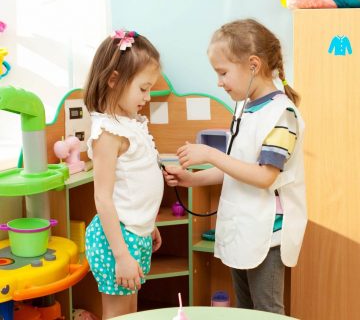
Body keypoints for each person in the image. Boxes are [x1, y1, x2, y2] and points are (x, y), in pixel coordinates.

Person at [163, 19, 307, 314]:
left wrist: (210, 154)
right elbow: (238, 167)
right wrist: (192, 179)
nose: (219, 82)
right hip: (244, 226)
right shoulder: (247, 109)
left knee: (266, 310)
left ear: (253, 65)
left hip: (266, 234)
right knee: (244, 310)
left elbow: (265, 176)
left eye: (223, 72)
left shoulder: (282, 114)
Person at [83, 30, 164, 319]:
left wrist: (147, 224)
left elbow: (132, 188)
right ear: (114, 80)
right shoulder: (107, 132)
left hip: (133, 235)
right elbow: (103, 199)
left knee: (131, 313)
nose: (148, 96)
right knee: (119, 315)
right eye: (143, 89)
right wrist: (120, 254)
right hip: (115, 242)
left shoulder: (130, 124)